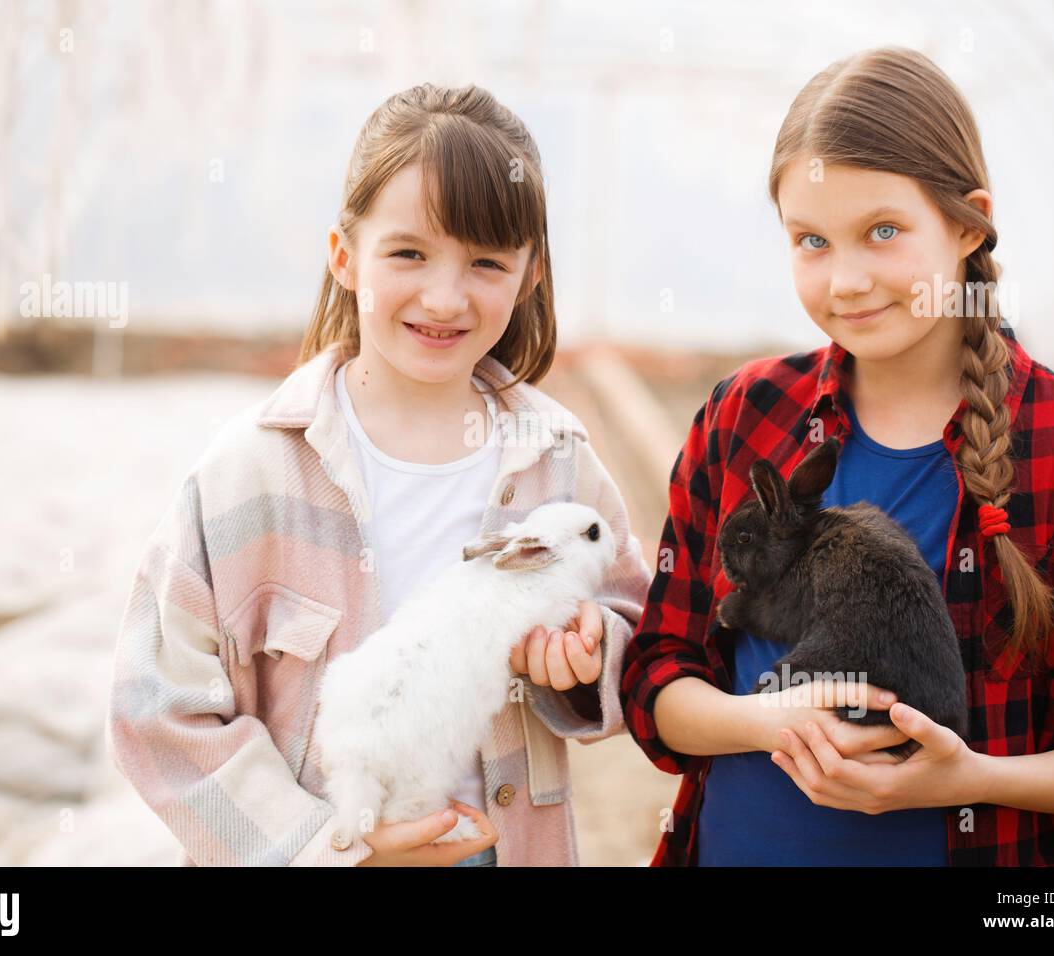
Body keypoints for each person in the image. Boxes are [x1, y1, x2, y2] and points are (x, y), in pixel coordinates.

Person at [621, 46, 1054, 866]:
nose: (845, 281)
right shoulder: (744, 416)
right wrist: (768, 718)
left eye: (883, 231)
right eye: (811, 240)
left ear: (967, 222)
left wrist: (969, 777)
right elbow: (659, 672)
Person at [108, 82, 651, 867]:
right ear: (345, 257)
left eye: (486, 262)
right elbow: (155, 706)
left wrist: (592, 658)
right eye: (409, 253)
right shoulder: (249, 476)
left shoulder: (558, 462)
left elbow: (640, 628)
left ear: (530, 277)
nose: (444, 295)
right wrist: (320, 846)